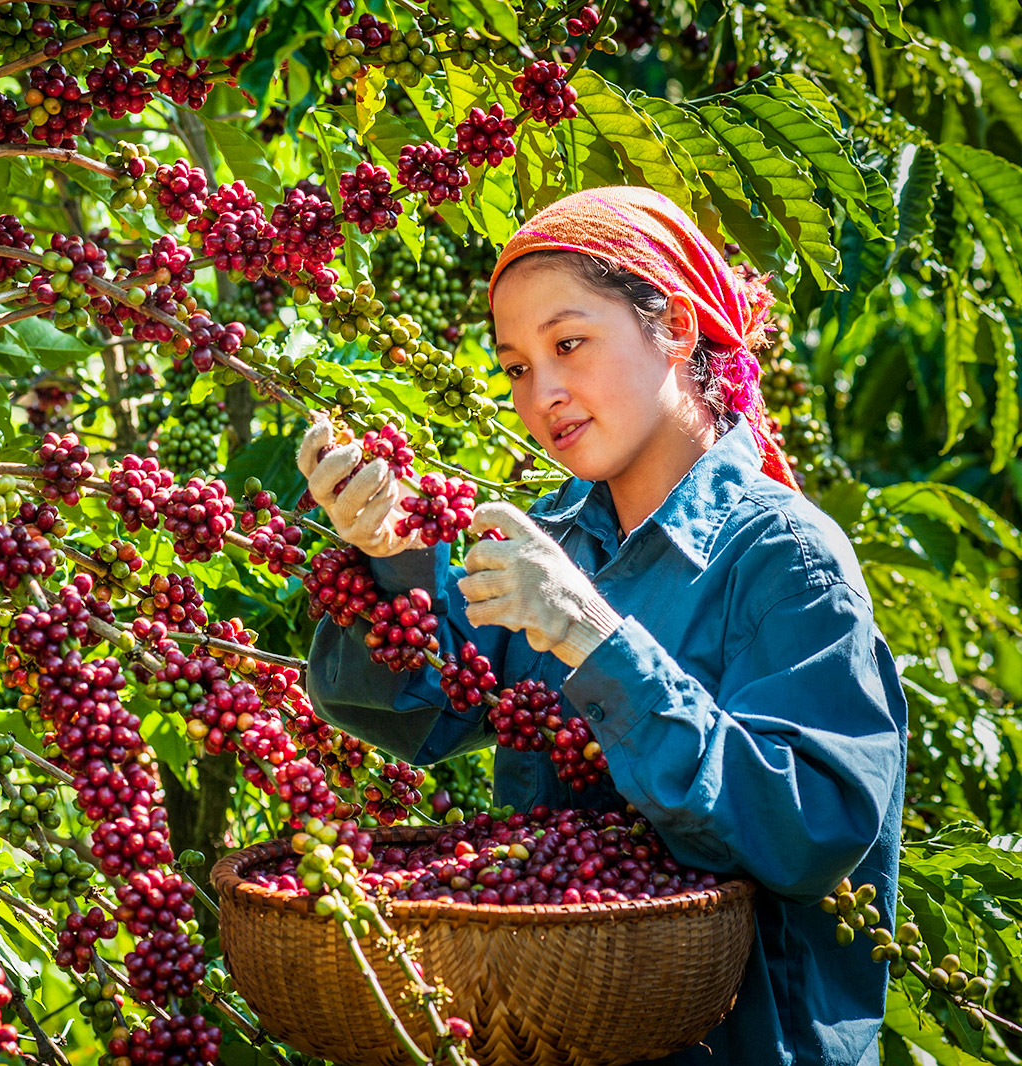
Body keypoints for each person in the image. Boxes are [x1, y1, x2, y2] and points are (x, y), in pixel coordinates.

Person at [299, 186, 909, 1065]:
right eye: (515, 366)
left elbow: (810, 828)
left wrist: (595, 640)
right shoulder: (557, 538)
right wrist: (388, 556)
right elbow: (414, 710)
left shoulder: (784, 559)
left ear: (678, 328)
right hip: (555, 1031)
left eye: (570, 343)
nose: (543, 391)